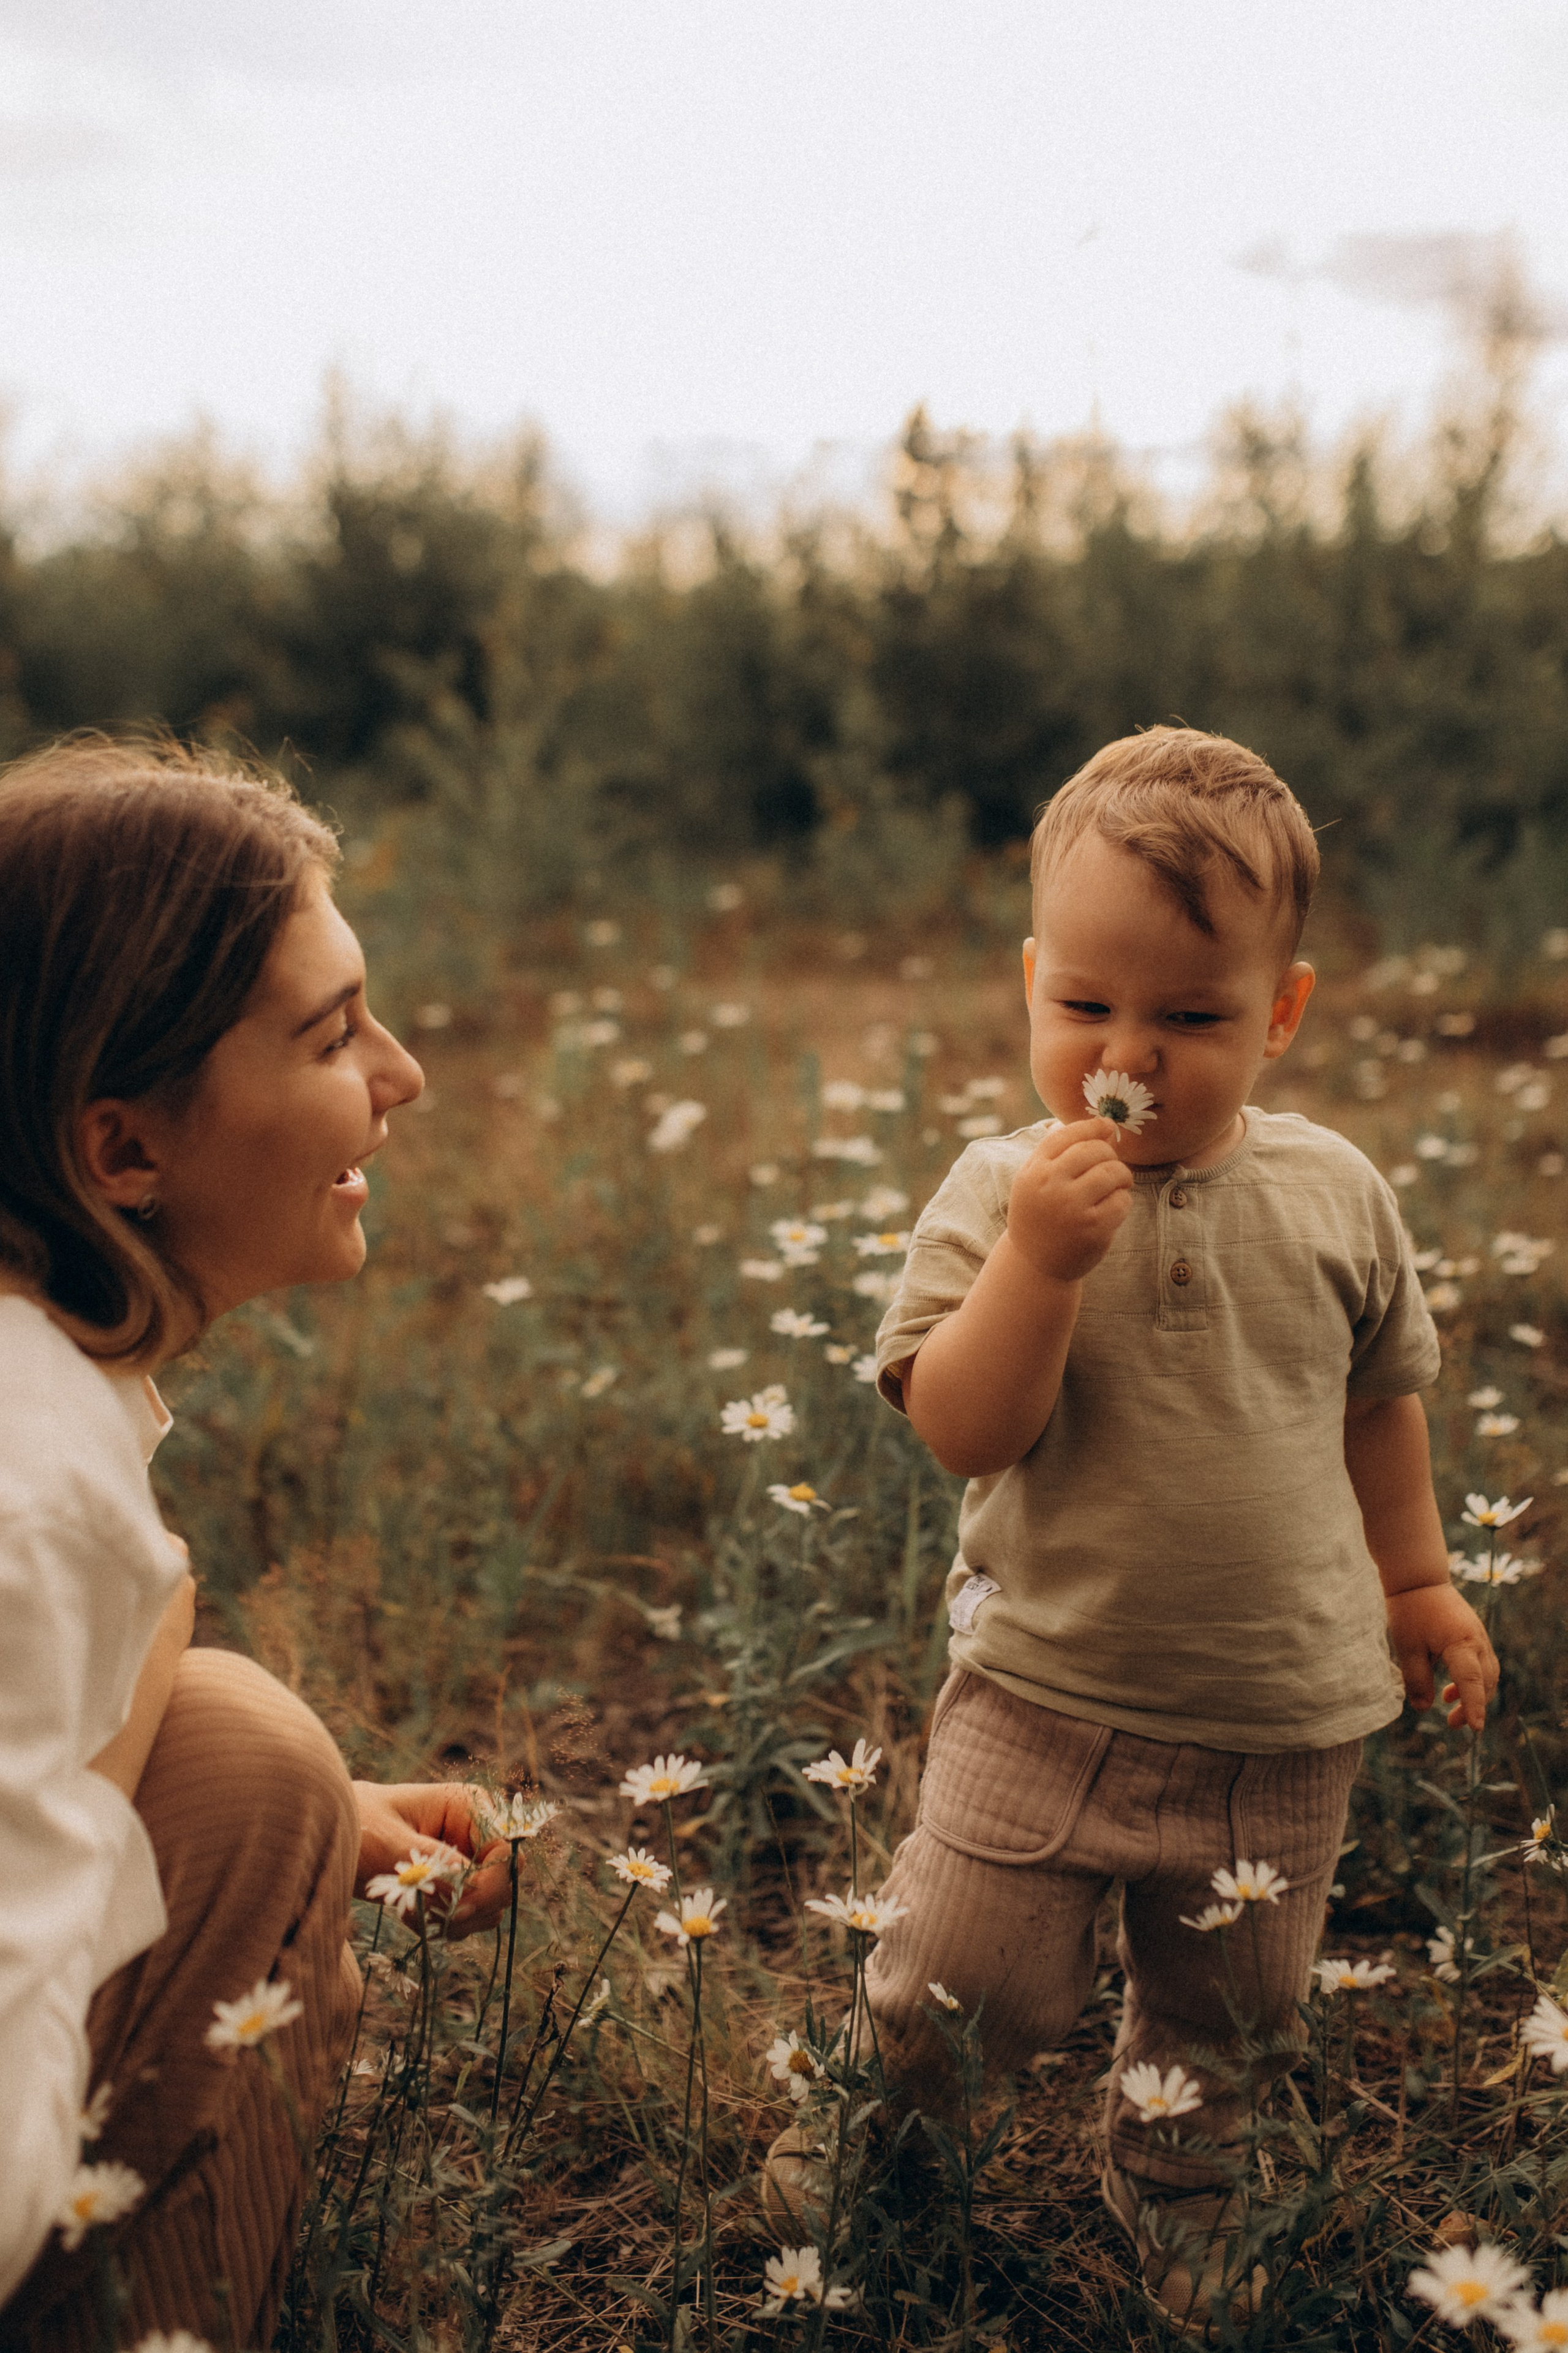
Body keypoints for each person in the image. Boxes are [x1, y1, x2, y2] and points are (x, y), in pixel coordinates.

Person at [864, 728, 1498, 2333]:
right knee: (962, 1981)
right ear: (1031, 987)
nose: (1121, 1054)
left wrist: (1416, 1578)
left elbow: (1379, 1400)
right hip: (1044, 1693)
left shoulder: (1340, 1194)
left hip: (1280, 1724)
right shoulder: (1005, 1192)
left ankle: (1178, 2181)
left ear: (1278, 1015)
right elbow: (964, 1426)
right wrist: (1039, 1268)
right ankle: (887, 2152)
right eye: (1083, 1007)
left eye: (1191, 1016)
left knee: (1231, 2016)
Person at [0, 737, 517, 2351]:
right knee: (234, 1732)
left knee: (247, 1749)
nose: (403, 1072)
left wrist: (215, 1774)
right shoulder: (36, 1500)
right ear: (123, 1152)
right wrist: (144, 1684)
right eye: (331, 1031)